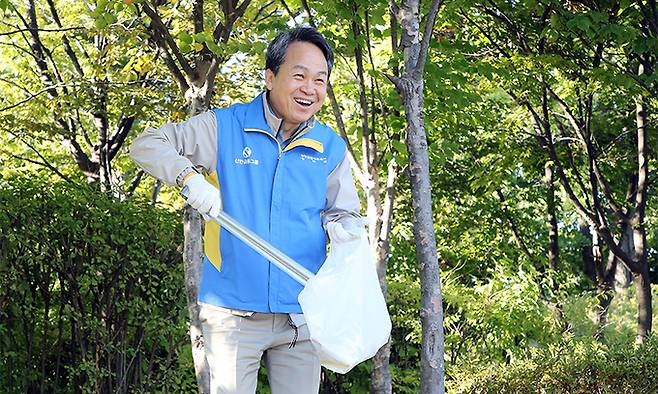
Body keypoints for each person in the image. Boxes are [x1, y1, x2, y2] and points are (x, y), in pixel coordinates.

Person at [130, 26, 362, 394]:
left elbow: (344, 213)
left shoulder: (329, 147)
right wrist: (189, 178)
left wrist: (347, 231)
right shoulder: (225, 127)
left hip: (301, 315)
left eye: (320, 79)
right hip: (232, 315)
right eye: (299, 75)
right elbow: (146, 144)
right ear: (270, 77)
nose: (310, 88)